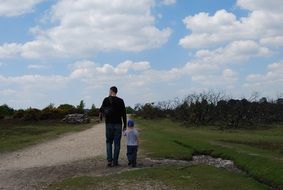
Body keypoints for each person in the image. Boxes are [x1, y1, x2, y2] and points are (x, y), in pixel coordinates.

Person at [100, 86, 127, 167]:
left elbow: (101, 110)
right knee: (117, 143)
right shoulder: (121, 101)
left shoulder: (106, 99)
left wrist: (102, 115)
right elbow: (124, 114)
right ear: (116, 92)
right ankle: (115, 161)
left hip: (108, 124)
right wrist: (125, 125)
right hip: (118, 124)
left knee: (109, 142)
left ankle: (109, 161)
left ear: (111, 91)